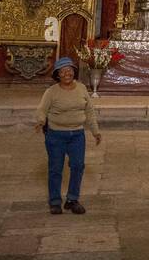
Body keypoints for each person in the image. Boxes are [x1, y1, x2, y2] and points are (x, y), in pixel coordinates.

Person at [35, 57, 101, 214]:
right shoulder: (51, 92)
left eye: (70, 70)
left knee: (78, 166)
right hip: (56, 135)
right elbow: (42, 109)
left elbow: (89, 111)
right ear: (57, 75)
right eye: (63, 71)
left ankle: (72, 199)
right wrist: (40, 121)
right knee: (55, 168)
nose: (67, 74)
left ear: (74, 72)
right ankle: (55, 201)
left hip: (77, 135)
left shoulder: (82, 88)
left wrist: (95, 131)